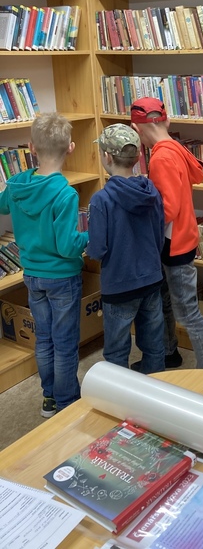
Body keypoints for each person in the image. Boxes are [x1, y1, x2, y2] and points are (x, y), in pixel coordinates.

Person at [0, 112, 88, 417]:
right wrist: (90, 236)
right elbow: (68, 246)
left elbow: (2, 206)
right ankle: (66, 402)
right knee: (65, 342)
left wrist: (17, 182)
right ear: (71, 148)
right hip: (62, 277)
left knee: (45, 338)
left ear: (31, 147)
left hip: (32, 275)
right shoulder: (65, 194)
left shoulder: (17, 185)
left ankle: (49, 397)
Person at [130, 97, 203, 370]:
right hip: (180, 239)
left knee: (188, 312)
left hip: (174, 244)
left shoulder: (161, 157)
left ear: (136, 129)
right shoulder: (176, 147)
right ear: (166, 121)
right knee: (166, 299)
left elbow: (167, 208)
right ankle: (169, 353)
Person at [86, 123, 165, 374]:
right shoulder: (152, 192)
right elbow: (159, 237)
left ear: (107, 157)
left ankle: (120, 394)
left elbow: (97, 249)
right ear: (138, 155)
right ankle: (155, 387)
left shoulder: (101, 200)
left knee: (116, 350)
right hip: (151, 279)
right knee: (154, 345)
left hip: (118, 285)